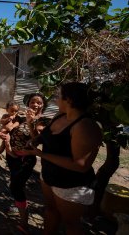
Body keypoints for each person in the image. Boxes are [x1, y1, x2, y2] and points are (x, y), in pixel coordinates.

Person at [19, 82, 102, 235]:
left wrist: (40, 154)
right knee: (51, 211)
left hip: (71, 185)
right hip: (49, 176)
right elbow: (46, 137)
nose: (56, 99)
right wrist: (34, 140)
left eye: (58, 95)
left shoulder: (85, 126)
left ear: (69, 100)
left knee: (71, 225)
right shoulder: (60, 115)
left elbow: (80, 165)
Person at [0, 92, 49, 233]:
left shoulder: (43, 121)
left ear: (43, 106)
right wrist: (2, 133)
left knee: (15, 186)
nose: (35, 104)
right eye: (33, 101)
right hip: (11, 156)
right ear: (28, 103)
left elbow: (37, 140)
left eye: (39, 102)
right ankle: (19, 204)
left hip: (26, 159)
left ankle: (24, 223)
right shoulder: (20, 117)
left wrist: (30, 122)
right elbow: (8, 127)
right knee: (16, 184)